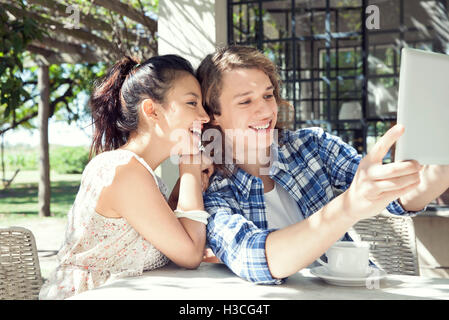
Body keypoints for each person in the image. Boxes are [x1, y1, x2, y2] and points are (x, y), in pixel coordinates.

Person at [197, 45, 449, 284]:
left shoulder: (311, 146)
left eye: (268, 95)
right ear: (214, 115)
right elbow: (255, 258)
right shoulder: (212, 189)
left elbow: (400, 197)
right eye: (245, 101)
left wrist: (443, 164)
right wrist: (349, 206)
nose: (265, 110)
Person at [39, 54, 212, 299]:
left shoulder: (144, 175)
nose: (205, 117)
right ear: (151, 110)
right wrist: (191, 165)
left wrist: (185, 183)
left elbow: (172, 236)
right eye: (192, 103)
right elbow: (190, 254)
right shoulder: (124, 171)